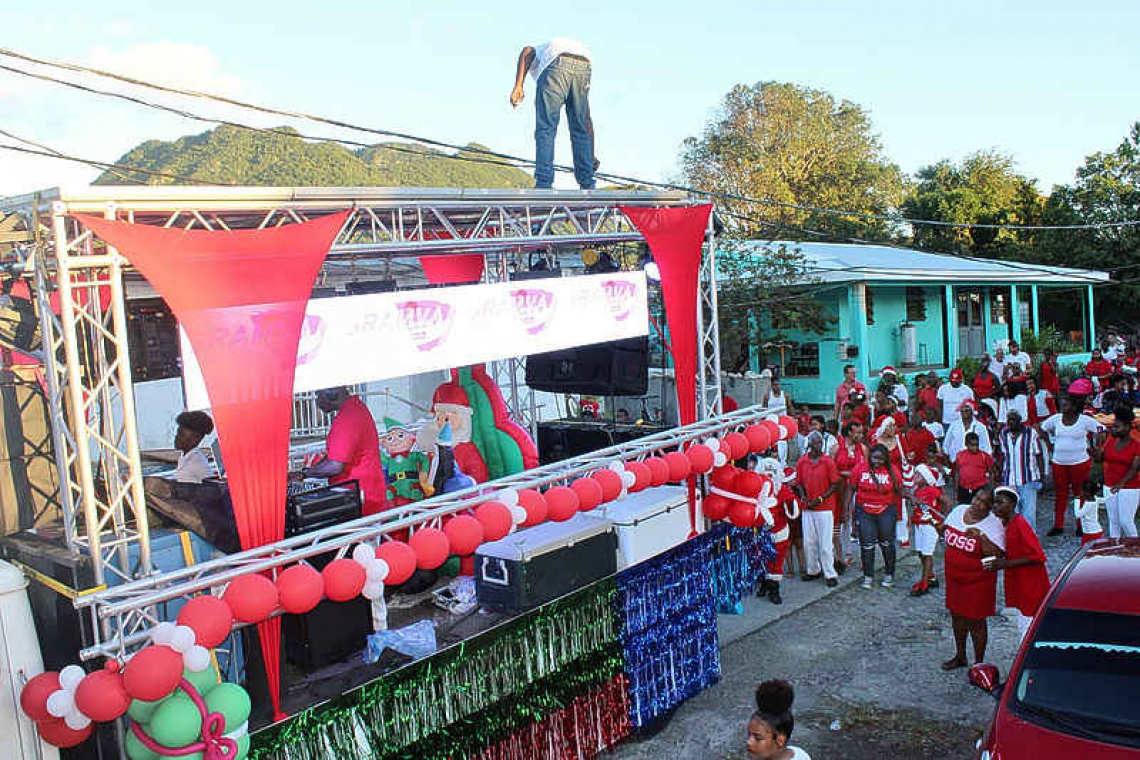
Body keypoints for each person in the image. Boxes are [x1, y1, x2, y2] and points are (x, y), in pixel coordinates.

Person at [510, 39, 596, 189]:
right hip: (585, 63)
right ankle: (587, 182)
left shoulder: (543, 57)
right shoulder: (558, 54)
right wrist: (590, 155)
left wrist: (518, 86)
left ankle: (544, 182)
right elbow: (586, 121)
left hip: (557, 61)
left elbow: (527, 51)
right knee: (579, 126)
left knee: (546, 127)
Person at [938, 487, 1005, 670]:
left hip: (978, 582)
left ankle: (979, 665)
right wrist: (938, 526)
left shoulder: (995, 524)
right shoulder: (959, 510)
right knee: (956, 616)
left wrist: (981, 537)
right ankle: (960, 656)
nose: (978, 504)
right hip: (954, 579)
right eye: (977, 498)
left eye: (984, 503)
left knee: (976, 622)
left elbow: (998, 554)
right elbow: (944, 531)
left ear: (991, 507)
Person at [299, 387, 387, 515]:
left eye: (319, 394)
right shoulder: (355, 408)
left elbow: (335, 466)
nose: (317, 401)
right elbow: (334, 456)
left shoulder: (348, 417)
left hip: (360, 500)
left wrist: (305, 474)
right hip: (364, 494)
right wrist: (310, 471)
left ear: (332, 392)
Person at [987, 487, 1049, 641]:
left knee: (1028, 622)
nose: (996, 506)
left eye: (1001, 503)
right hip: (1019, 580)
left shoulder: (1020, 523)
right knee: (1023, 619)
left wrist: (1004, 564)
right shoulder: (1006, 524)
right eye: (995, 503)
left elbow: (1038, 556)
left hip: (1031, 582)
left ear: (1013, 504)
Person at [1039, 395, 1102, 536]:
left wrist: (1097, 447)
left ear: (1074, 407)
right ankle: (1058, 525)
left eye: (1066, 405)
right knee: (1060, 494)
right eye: (1062, 404)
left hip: (1079, 463)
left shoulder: (1084, 420)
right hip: (1059, 463)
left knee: (1080, 493)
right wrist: (1049, 443)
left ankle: (1081, 525)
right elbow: (1041, 427)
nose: (1063, 407)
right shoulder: (1056, 419)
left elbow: (1101, 429)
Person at [851, 444, 904, 589]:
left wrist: (913, 497)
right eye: (875, 458)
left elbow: (900, 490)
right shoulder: (860, 468)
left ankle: (889, 573)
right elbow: (851, 490)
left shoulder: (893, 470)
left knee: (886, 542)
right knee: (867, 544)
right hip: (864, 510)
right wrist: (847, 512)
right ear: (870, 457)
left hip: (886, 510)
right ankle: (868, 576)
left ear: (886, 459)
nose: (877, 462)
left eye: (881, 459)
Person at [795, 432, 842, 587]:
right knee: (809, 541)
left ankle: (830, 572)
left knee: (826, 542)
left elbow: (835, 484)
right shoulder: (802, 462)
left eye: (820, 442)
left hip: (825, 507)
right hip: (808, 507)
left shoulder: (827, 462)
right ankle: (813, 569)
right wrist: (804, 496)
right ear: (809, 443)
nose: (818, 445)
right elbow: (799, 482)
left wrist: (821, 498)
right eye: (815, 443)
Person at [1093, 408, 1140, 537]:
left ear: (1127, 427)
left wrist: (1120, 484)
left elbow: (1135, 468)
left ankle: (1136, 547)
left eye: (1116, 427)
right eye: (1112, 426)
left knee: (1125, 521)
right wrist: (1096, 450)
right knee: (1113, 521)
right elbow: (1100, 459)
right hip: (1109, 485)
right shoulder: (1110, 441)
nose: (1112, 429)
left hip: (1129, 487)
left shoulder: (1136, 445)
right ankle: (1115, 548)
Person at [997, 410, 1046, 532]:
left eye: (1013, 420)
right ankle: (1015, 537)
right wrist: (999, 473)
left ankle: (1029, 538)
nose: (1010, 422)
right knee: (1012, 511)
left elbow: (1039, 454)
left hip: (1028, 478)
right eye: (1009, 419)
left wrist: (1042, 475)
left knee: (1028, 512)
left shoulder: (1031, 433)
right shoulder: (1003, 433)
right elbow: (1003, 455)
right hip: (1009, 478)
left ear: (1020, 421)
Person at [746, 680, 811, 760]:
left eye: (758, 738)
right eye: (749, 735)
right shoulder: (799, 753)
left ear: (780, 740)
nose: (749, 742)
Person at [909, 461, 946, 597]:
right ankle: (930, 576)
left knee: (927, 553)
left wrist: (944, 519)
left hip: (930, 525)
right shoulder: (917, 491)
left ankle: (924, 583)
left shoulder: (932, 490)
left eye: (918, 475)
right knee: (920, 552)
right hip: (919, 524)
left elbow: (947, 501)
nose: (915, 476)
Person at [834, 421, 867, 572]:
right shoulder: (836, 448)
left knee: (861, 522)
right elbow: (830, 467)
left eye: (861, 433)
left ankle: (865, 557)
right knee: (844, 520)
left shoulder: (863, 449)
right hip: (841, 489)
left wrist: (852, 474)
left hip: (859, 490)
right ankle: (846, 554)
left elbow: (867, 468)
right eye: (858, 432)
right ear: (849, 433)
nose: (860, 435)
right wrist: (847, 474)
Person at [172, 411, 216, 483]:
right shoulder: (184, 457)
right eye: (177, 433)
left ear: (195, 439)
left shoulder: (198, 463)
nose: (176, 437)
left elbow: (211, 488)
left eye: (181, 434)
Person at [953, 432, 994, 504]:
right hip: (963, 488)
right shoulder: (960, 455)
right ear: (966, 444)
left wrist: (990, 490)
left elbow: (991, 473)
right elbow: (957, 473)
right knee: (963, 509)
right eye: (972, 445)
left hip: (979, 489)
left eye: (977, 445)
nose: (975, 447)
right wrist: (956, 491)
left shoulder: (984, 456)